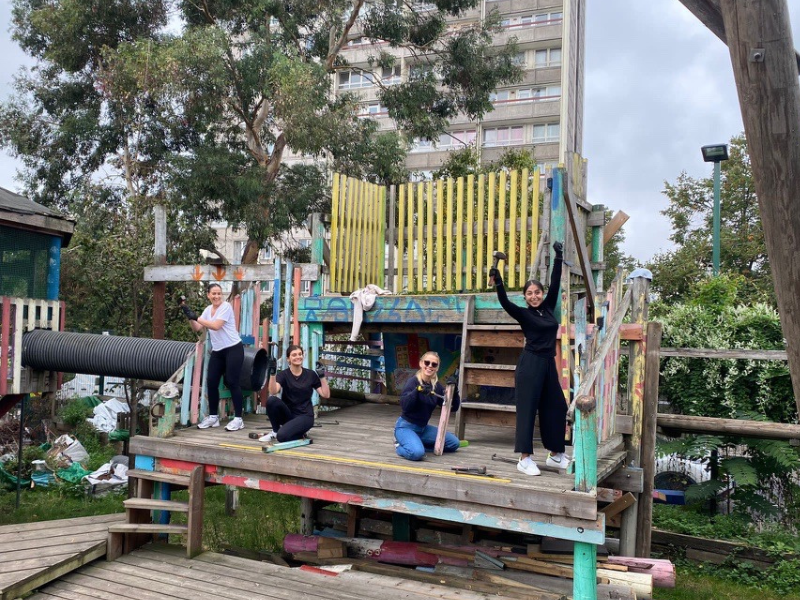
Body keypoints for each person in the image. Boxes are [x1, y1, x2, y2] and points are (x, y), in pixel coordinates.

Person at [489, 241, 570, 476]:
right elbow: (504, 302)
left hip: (547, 364)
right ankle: (525, 459)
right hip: (530, 364)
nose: (534, 296)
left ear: (542, 294)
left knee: (557, 406)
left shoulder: (548, 308)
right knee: (527, 410)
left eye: (537, 292)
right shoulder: (523, 314)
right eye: (529, 293)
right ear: (525, 297)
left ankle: (556, 454)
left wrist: (558, 256)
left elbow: (555, 283)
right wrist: (499, 282)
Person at [181, 283, 246, 431]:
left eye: (219, 293)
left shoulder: (226, 307)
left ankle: (238, 419)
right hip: (218, 351)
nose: (217, 296)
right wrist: (189, 316)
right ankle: (213, 417)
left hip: (233, 348)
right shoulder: (208, 310)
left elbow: (216, 326)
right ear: (208, 295)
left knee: (232, 381)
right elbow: (198, 328)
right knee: (211, 382)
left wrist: (196, 316)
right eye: (214, 294)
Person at [394, 352, 461, 461]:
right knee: (417, 454)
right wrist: (417, 391)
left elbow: (452, 408)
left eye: (434, 364)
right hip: (406, 427)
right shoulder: (413, 382)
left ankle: (416, 443)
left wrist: (455, 392)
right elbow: (405, 406)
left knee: (454, 444)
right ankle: (399, 447)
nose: (430, 366)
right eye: (427, 362)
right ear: (421, 364)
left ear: (437, 368)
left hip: (423, 428)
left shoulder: (436, 386)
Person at [259, 345, 330, 443]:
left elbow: (325, 394)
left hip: (305, 416)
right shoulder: (284, 374)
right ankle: (275, 431)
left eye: (300, 354)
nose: (298, 357)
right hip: (289, 414)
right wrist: (272, 373)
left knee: (282, 437)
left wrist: (322, 376)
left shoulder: (310, 374)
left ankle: (298, 433)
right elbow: (273, 391)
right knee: (271, 400)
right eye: (294, 355)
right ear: (288, 359)